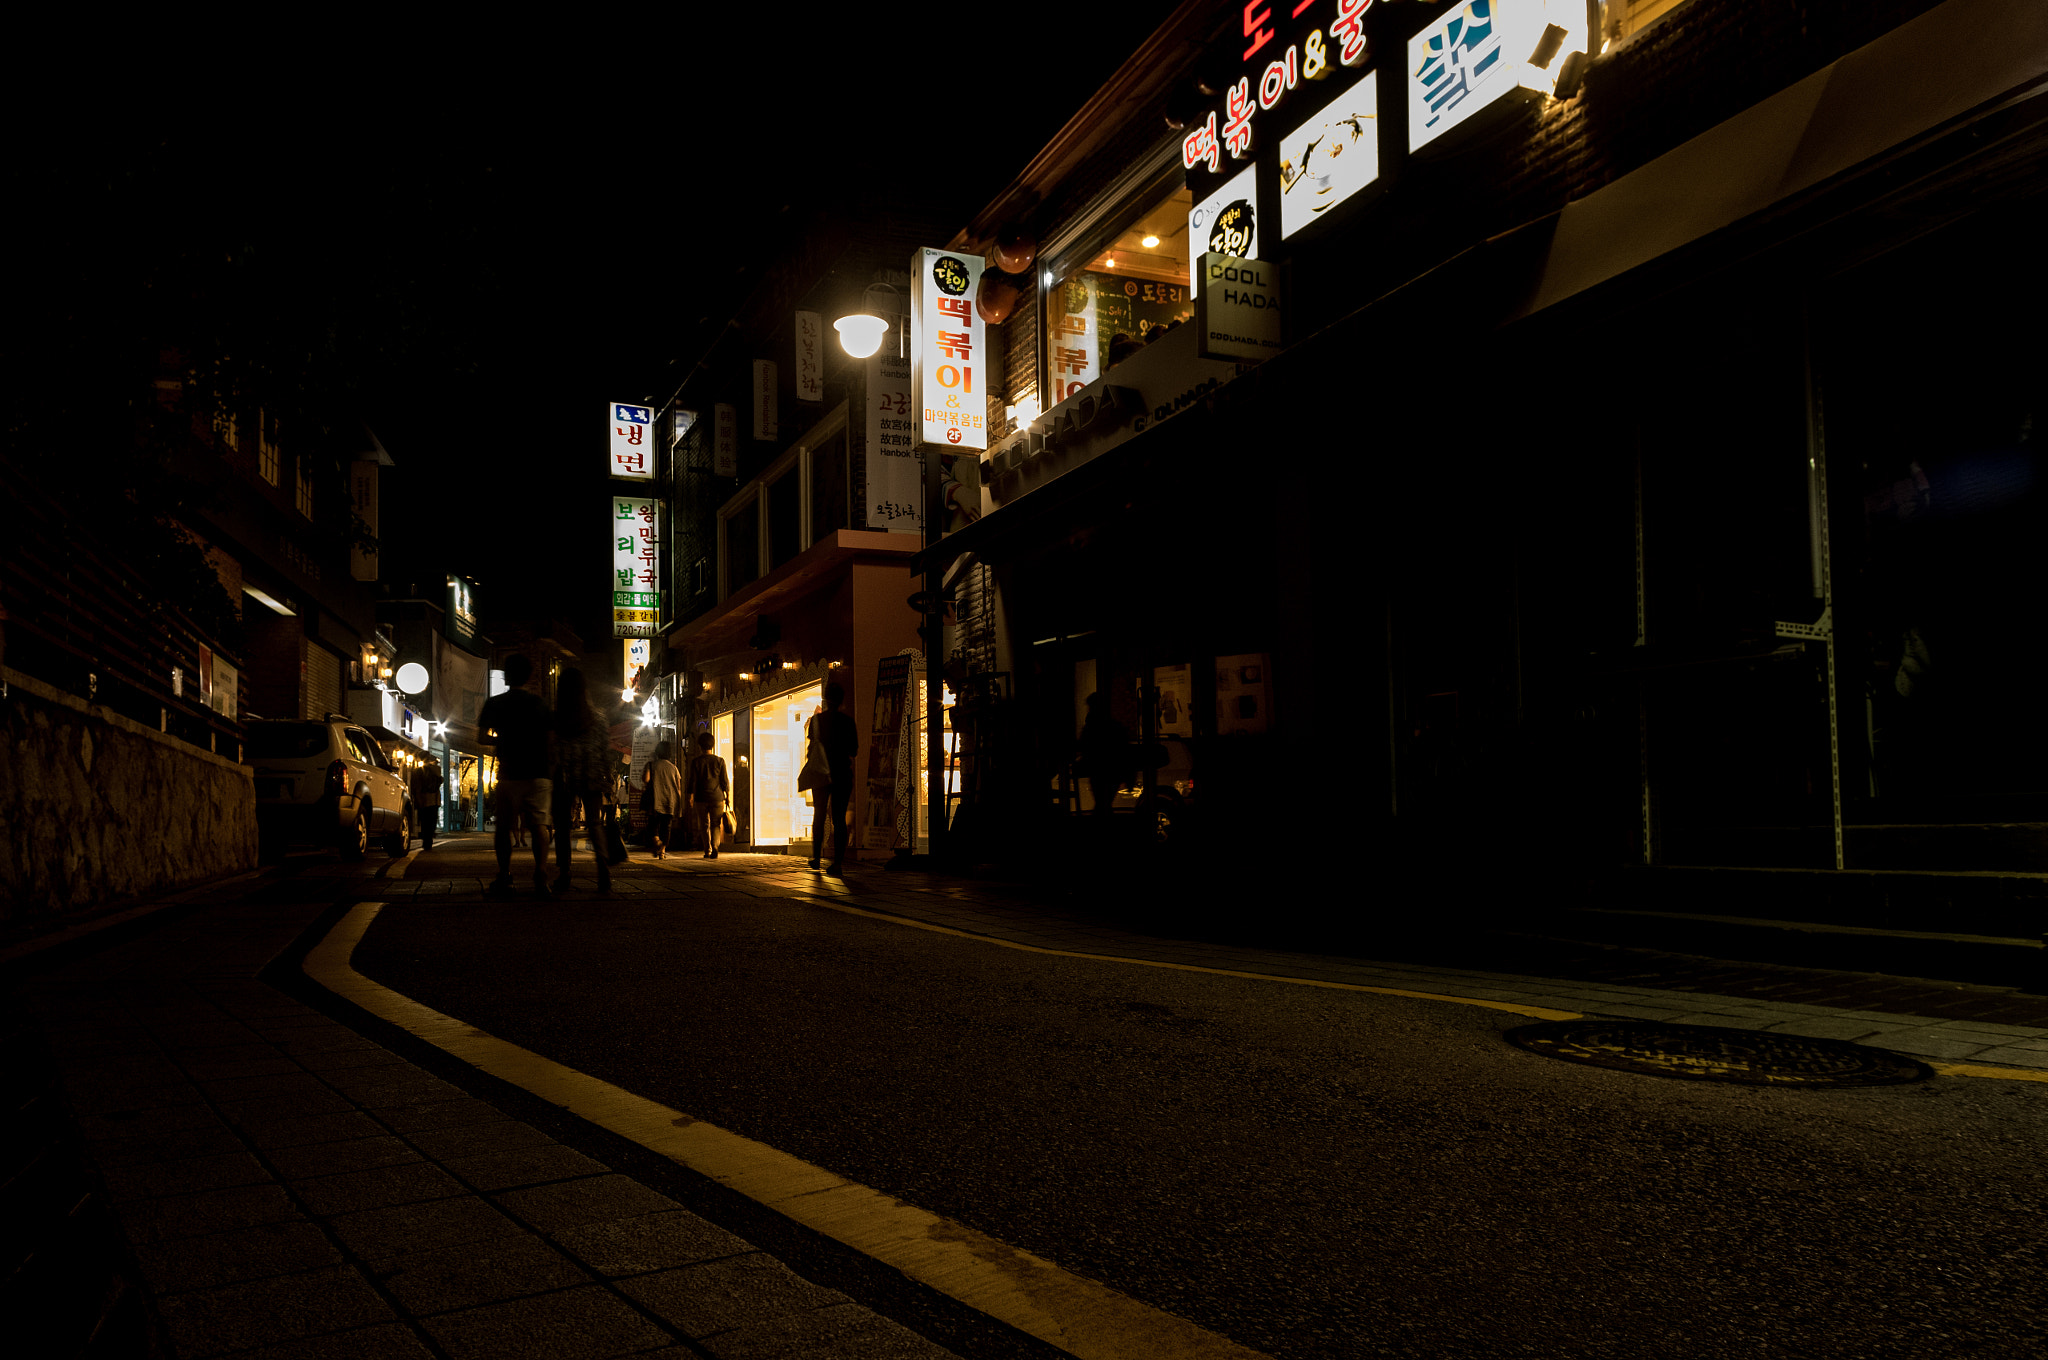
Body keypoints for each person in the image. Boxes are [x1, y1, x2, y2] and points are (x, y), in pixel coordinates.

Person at [477, 653, 553, 896]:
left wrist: (503, 739)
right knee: (540, 825)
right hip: (539, 772)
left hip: (509, 772)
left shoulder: (495, 704)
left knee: (504, 827)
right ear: (530, 676)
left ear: (506, 676)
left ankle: (505, 875)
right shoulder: (540, 704)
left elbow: (480, 737)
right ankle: (541, 873)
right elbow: (552, 738)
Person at [549, 666, 614, 894]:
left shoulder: (557, 718)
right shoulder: (597, 717)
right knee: (595, 824)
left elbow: (553, 749)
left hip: (565, 777)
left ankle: (565, 872)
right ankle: (603, 871)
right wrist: (609, 775)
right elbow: (605, 750)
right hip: (592, 775)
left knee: (563, 827)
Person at [805, 682, 858, 874]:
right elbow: (854, 750)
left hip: (820, 773)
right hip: (842, 773)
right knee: (839, 818)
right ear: (842, 700)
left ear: (825, 699)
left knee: (819, 815)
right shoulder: (848, 722)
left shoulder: (817, 722)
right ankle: (838, 863)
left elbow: (812, 747)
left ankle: (817, 858)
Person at [1076, 691, 1132, 817]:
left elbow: (1083, 745)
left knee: (1102, 802)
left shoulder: (1092, 727)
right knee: (1104, 802)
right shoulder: (1114, 727)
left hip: (1099, 770)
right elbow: (1124, 752)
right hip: (1111, 771)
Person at [687, 730, 731, 859]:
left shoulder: (696, 762)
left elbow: (692, 781)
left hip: (701, 797)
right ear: (712, 745)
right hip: (717, 797)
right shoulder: (720, 761)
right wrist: (727, 796)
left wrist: (690, 796)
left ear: (700, 746)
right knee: (715, 823)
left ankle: (707, 850)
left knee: (704, 824)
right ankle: (715, 846)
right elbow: (724, 781)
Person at [644, 740, 683, 860]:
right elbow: (678, 787)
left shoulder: (651, 765)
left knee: (653, 825)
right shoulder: (674, 768)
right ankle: (662, 851)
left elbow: (646, 779)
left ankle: (657, 842)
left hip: (655, 800)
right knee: (666, 826)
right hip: (669, 801)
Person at [409, 757, 443, 851]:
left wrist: (416, 798)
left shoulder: (417, 771)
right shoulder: (436, 770)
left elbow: (415, 787)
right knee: (432, 821)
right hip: (434, 800)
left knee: (424, 821)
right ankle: (429, 841)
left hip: (423, 799)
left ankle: (426, 841)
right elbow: (440, 780)